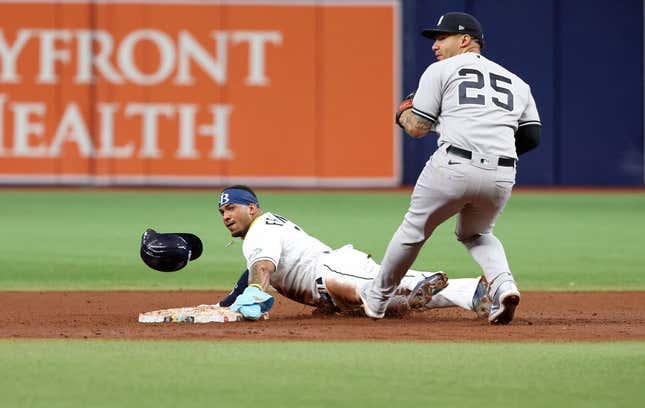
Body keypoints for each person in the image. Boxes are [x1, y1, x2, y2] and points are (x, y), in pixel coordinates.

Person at [360, 12, 541, 324]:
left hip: (454, 164)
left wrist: (402, 112)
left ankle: (376, 299)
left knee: (414, 230)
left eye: (442, 37)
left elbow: (417, 126)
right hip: (502, 172)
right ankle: (504, 285)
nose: (435, 45)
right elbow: (531, 136)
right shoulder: (517, 82)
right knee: (477, 233)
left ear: (466, 40)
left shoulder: (441, 70)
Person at [217, 184, 491, 319]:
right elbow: (254, 268)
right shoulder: (266, 227)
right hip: (338, 272)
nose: (226, 216)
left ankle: (400, 299)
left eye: (231, 208)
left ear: (251, 207)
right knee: (395, 289)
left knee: (380, 294)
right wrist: (229, 302)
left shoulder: (259, 231)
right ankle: (470, 292)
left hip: (331, 270)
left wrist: (255, 294)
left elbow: (262, 267)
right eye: (222, 212)